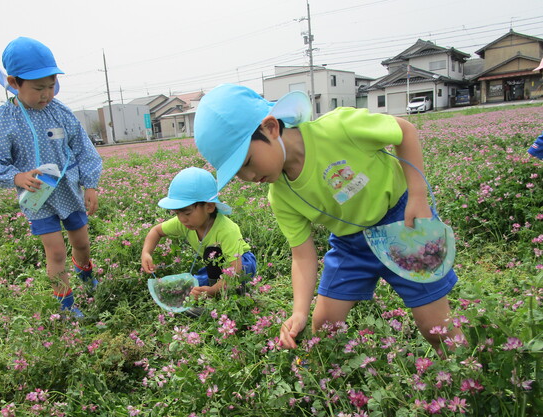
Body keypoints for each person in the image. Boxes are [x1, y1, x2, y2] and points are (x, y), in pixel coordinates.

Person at [194, 84, 464, 354]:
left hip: (403, 221)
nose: (249, 177)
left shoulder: (339, 128)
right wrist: (299, 312)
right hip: (350, 243)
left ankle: (467, 372)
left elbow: (404, 131)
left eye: (247, 162)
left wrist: (417, 196)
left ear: (271, 128)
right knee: (323, 327)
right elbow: (302, 255)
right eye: (237, 173)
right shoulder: (280, 196)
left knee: (436, 329)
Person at [0, 37, 102, 317]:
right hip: (37, 198)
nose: (46, 94)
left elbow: (84, 149)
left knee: (81, 242)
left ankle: (87, 277)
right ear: (13, 82)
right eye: (38, 88)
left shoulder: (61, 112)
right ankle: (67, 306)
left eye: (51, 86)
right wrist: (16, 177)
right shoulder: (4, 120)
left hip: (70, 191)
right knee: (56, 253)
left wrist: (90, 184)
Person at [141, 167, 256, 299]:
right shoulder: (184, 222)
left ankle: (236, 291)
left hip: (241, 262)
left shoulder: (227, 230)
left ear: (209, 206)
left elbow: (235, 269)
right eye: (177, 213)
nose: (182, 219)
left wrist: (213, 291)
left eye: (187, 212)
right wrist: (146, 253)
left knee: (233, 279)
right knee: (193, 287)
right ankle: (217, 288)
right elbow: (156, 231)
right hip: (215, 265)